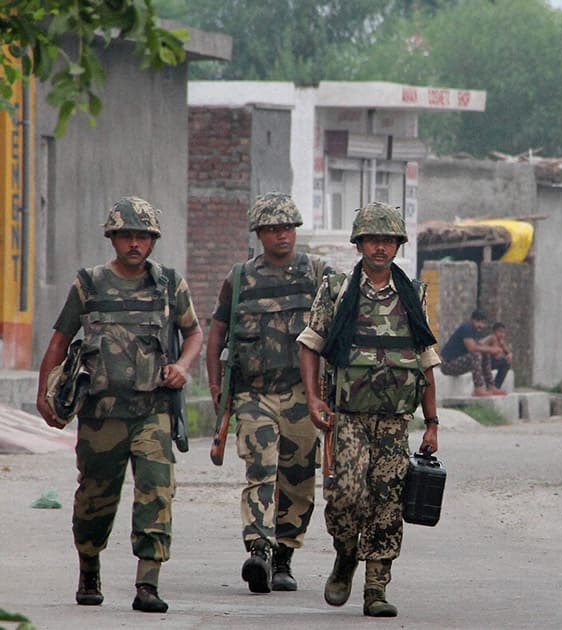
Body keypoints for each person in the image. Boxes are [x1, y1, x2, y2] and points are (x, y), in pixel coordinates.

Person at [35, 197, 203, 613]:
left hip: (152, 411)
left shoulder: (168, 284)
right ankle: (89, 566)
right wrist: (45, 396)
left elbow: (195, 333)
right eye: (127, 235)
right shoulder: (88, 284)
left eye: (143, 236)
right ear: (112, 237)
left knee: (157, 493)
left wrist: (182, 365)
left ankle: (148, 582)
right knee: (95, 496)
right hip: (100, 414)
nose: (135, 243)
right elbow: (59, 340)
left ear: (153, 241)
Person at [297, 201, 440, 618]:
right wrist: (313, 398)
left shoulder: (411, 294)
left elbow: (425, 359)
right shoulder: (339, 290)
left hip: (395, 421)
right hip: (347, 418)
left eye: (388, 240)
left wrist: (431, 423)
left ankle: (376, 587)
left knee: (387, 502)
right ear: (360, 244)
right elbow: (310, 345)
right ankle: (345, 555)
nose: (380, 248)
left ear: (398, 245)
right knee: (345, 495)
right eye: (373, 240)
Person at [205, 192, 331, 594]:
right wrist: (216, 390)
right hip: (254, 394)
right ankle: (258, 548)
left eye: (287, 228)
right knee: (260, 467)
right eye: (272, 229)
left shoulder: (318, 274)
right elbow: (217, 334)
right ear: (259, 233)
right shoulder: (240, 278)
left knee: (297, 477)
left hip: (302, 394)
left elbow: (343, 327)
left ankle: (284, 556)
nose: (281, 236)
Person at [439, 310, 507, 396]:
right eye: (478, 322)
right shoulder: (466, 328)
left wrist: (495, 349)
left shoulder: (475, 331)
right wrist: (491, 349)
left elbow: (480, 345)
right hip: (448, 365)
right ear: (472, 320)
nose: (480, 325)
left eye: (483, 323)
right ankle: (478, 389)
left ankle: (491, 386)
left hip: (458, 362)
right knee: (476, 355)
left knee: (485, 354)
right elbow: (472, 348)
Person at [479, 322, 514, 393]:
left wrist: (509, 355)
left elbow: (508, 352)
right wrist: (491, 349)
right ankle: (492, 387)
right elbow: (480, 344)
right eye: (500, 331)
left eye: (504, 332)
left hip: (493, 363)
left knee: (505, 363)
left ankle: (496, 386)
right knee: (504, 362)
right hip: (485, 363)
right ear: (494, 331)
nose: (502, 334)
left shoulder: (501, 341)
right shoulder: (492, 337)